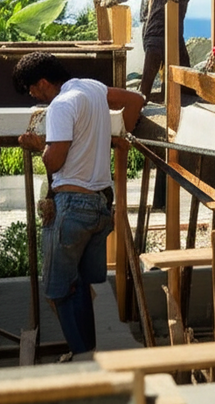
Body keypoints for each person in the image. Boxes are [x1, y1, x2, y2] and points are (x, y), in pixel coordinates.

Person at [14, 51, 145, 358]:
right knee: (83, 286)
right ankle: (90, 350)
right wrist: (119, 136)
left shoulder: (60, 105)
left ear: (44, 82)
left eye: (31, 89)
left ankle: (85, 358)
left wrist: (38, 148)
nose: (32, 95)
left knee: (59, 291)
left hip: (72, 207)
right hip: (100, 206)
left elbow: (55, 161)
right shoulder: (91, 88)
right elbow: (136, 100)